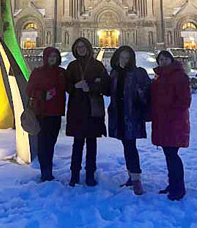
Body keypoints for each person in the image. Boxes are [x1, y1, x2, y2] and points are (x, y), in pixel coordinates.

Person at [66, 37, 110, 187]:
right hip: (77, 110)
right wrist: (75, 86)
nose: (81, 49)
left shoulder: (97, 65)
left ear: (88, 47)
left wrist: (91, 87)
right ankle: (74, 174)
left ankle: (90, 174)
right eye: (78, 47)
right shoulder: (72, 66)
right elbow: (66, 85)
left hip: (92, 111)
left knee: (92, 144)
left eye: (83, 46)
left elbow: (106, 87)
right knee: (77, 143)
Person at [108, 45, 151, 195]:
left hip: (131, 116)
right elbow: (108, 91)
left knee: (130, 146)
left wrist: (140, 95)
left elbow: (147, 91)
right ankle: (131, 176)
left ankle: (136, 179)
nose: (124, 60)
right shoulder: (114, 73)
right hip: (119, 115)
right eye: (122, 58)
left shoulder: (138, 73)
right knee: (127, 146)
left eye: (127, 58)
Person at [151, 50, 192, 201]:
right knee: (169, 155)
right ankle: (173, 184)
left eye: (165, 58)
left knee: (173, 155)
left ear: (171, 59)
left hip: (174, 121)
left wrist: (168, 109)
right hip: (163, 121)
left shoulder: (180, 76)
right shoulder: (159, 77)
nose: (163, 61)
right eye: (160, 59)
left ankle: (179, 188)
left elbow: (185, 101)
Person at [26, 47, 66, 182]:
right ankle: (45, 171)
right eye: (50, 56)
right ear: (45, 58)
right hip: (42, 112)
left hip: (56, 113)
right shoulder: (38, 73)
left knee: (51, 142)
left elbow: (69, 86)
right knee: (43, 143)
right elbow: (29, 90)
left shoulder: (61, 73)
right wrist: (43, 95)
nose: (52, 59)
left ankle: (48, 168)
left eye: (55, 56)